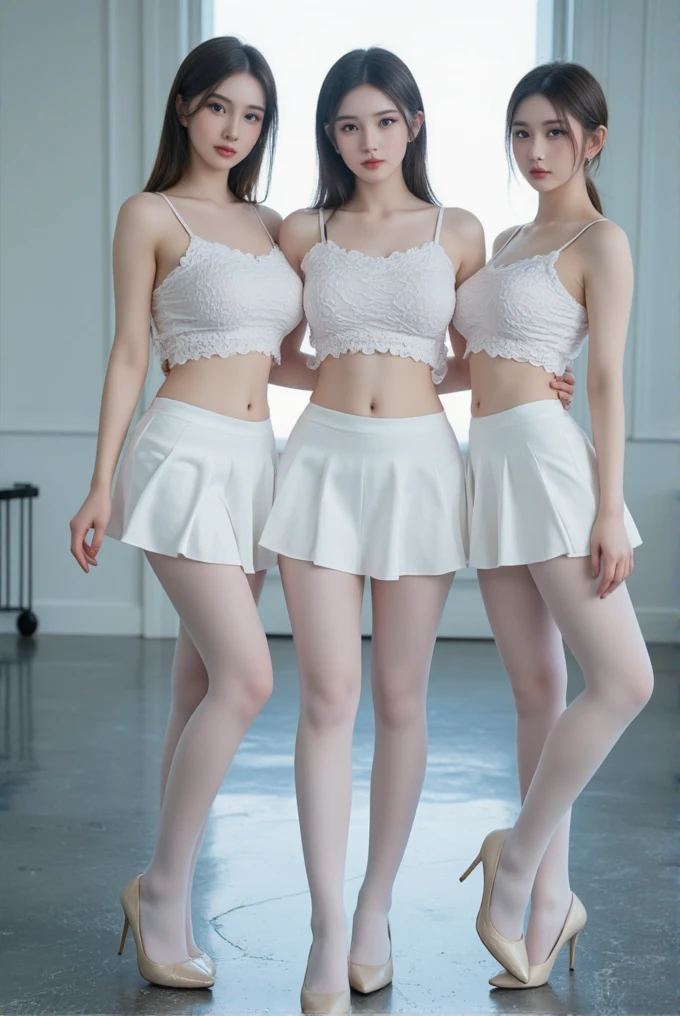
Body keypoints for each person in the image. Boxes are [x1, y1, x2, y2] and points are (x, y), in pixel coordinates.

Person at [262, 48, 574, 1013]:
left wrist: (528, 378)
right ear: (329, 134)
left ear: (414, 125)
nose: (366, 142)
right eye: (347, 125)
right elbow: (274, 357)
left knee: (400, 699)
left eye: (384, 122)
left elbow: (475, 357)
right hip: (319, 463)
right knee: (326, 698)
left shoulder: (462, 231)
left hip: (421, 470)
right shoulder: (302, 230)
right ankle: (323, 931)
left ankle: (373, 910)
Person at [69, 36, 303, 990]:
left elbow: (280, 357)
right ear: (183, 109)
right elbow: (131, 350)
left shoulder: (273, 223)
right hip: (179, 455)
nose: (234, 131)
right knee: (246, 680)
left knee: (195, 683)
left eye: (252, 115)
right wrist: (98, 479)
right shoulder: (149, 214)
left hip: (256, 462)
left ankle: (173, 881)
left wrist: (457, 378)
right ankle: (161, 890)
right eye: (218, 109)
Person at [455, 62, 653, 989]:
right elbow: (481, 360)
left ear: (593, 141)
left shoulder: (600, 239)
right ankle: (546, 922)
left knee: (623, 681)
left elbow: (606, 377)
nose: (536, 152)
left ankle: (519, 857)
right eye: (522, 133)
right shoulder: (503, 237)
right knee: (537, 690)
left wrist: (609, 505)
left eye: (556, 135)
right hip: (489, 460)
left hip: (547, 465)